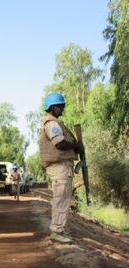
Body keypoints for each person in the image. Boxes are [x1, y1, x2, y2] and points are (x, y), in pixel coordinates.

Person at [38, 92, 82, 244]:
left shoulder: (53, 122)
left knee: (62, 199)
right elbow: (60, 143)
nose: (62, 109)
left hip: (62, 167)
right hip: (59, 168)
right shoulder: (52, 124)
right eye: (60, 106)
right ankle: (57, 231)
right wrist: (76, 145)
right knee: (61, 200)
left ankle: (59, 230)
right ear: (53, 107)